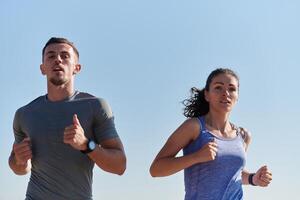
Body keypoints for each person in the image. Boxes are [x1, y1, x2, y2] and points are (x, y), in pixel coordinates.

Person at [9, 37, 126, 200]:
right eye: (51, 56)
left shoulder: (95, 106)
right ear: (42, 68)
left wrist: (86, 144)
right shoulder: (25, 114)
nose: (57, 59)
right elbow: (19, 167)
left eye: (65, 56)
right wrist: (19, 160)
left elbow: (120, 165)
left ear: (76, 68)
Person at [150, 68, 272, 200]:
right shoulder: (194, 127)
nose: (226, 93)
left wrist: (253, 178)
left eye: (232, 89)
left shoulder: (243, 135)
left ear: (237, 96)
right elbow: (156, 169)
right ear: (207, 95)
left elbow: (231, 174)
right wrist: (196, 157)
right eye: (218, 87)